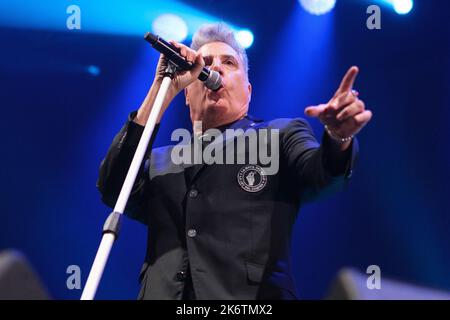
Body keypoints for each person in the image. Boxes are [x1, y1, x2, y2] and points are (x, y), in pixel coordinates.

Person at [97, 23, 372, 300]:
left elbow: (321, 173)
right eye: (206, 63)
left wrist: (337, 137)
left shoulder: (278, 136)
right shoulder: (159, 160)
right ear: (187, 94)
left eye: (229, 63)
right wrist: (161, 88)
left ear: (248, 90)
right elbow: (112, 187)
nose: (215, 69)